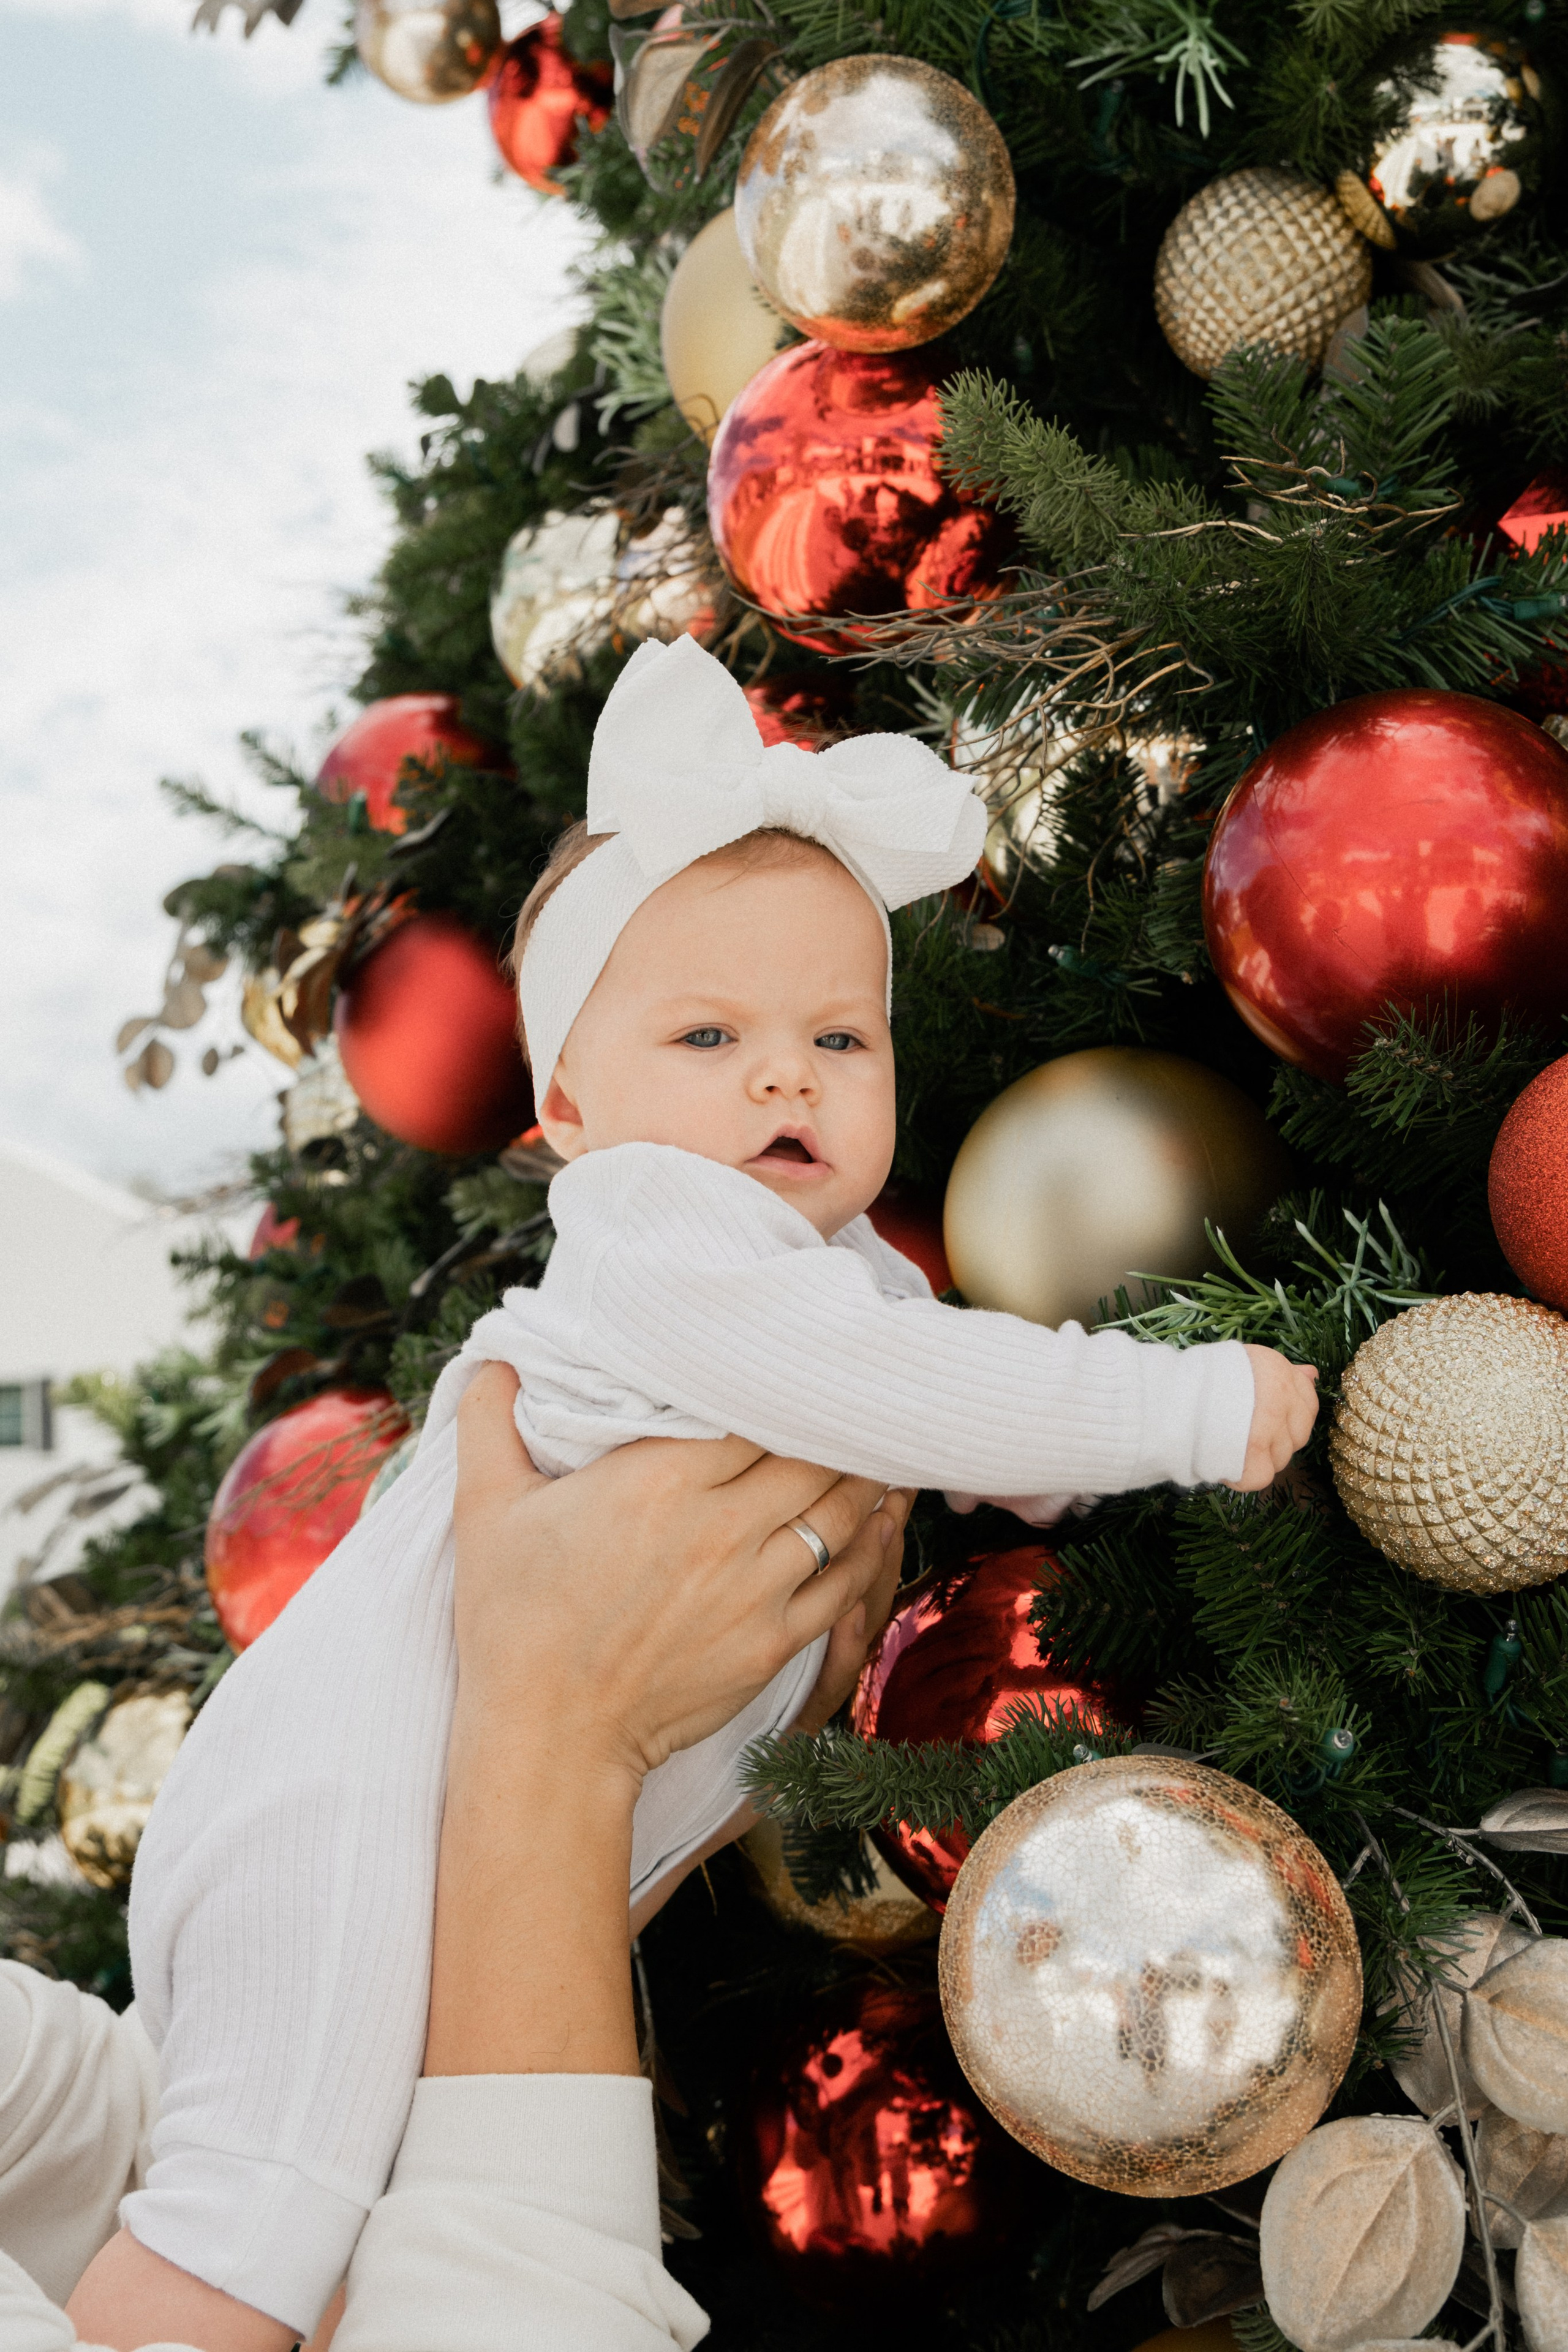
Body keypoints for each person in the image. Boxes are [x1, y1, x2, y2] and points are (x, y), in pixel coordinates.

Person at [107, 635, 1320, 2343]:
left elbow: (916, 1387)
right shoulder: (660, 1234)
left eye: (841, 1033)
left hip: (476, 1810)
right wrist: (1189, 1408)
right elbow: (918, 1392)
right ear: (570, 1113)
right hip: (342, 1808)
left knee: (356, 2194)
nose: (784, 1076)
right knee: (256, 2202)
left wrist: (1025, 1481)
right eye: (708, 1034)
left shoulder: (793, 1270)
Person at [40, 1366, 910, 2346]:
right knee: (236, 2233)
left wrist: (641, 1792)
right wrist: (573, 1741)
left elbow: (137, 2116)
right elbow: (230, 2223)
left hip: (258, 1925)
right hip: (274, 1893)